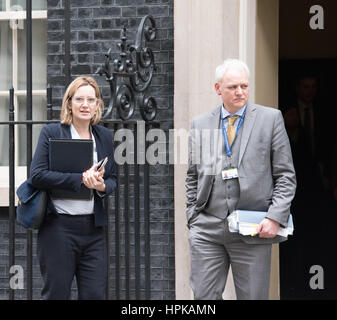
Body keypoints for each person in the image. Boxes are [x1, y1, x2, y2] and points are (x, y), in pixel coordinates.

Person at [185, 59, 296, 300]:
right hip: (207, 228)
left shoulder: (270, 119)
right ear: (218, 89)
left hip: (253, 227)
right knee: (203, 298)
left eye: (244, 86)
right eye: (233, 87)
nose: (240, 92)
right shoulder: (200, 123)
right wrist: (192, 218)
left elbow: (286, 175)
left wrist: (274, 217)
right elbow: (193, 175)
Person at [30, 76, 117, 300]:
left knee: (95, 295)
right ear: (69, 103)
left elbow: (113, 179)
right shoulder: (52, 133)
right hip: (59, 229)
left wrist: (101, 186)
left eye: (91, 99)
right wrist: (79, 179)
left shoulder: (104, 136)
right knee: (56, 294)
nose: (85, 104)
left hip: (93, 231)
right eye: (79, 99)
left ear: (98, 103)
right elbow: (37, 175)